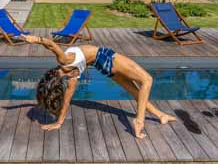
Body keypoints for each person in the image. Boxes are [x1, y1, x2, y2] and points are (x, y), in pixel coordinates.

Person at [23, 35, 175, 139]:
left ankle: (161, 116)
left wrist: (59, 122)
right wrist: (35, 39)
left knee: (137, 93)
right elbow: (50, 44)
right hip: (105, 58)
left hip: (102, 67)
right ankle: (139, 120)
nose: (68, 80)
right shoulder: (68, 69)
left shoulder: (69, 69)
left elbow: (50, 45)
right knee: (147, 80)